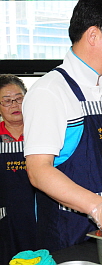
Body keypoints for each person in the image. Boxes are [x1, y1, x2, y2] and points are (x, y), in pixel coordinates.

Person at [23, 0, 102, 252]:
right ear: (93, 35)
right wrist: (99, 207)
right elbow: (38, 170)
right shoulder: (50, 91)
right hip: (70, 233)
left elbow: (97, 146)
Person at [0, 75, 36, 264]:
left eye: (19, 98)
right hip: (7, 218)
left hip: (41, 213)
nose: (14, 104)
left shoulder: (41, 132)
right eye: (7, 101)